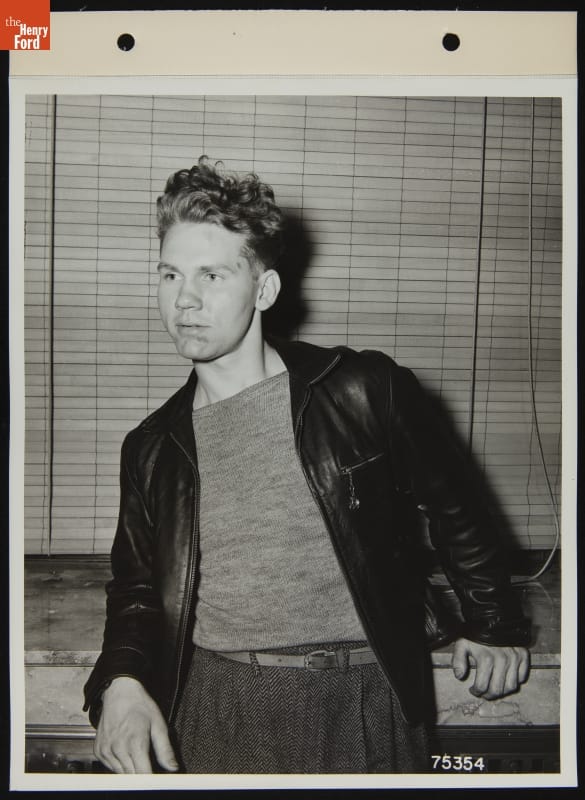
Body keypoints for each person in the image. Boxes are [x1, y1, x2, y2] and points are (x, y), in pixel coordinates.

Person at [83, 156, 531, 775]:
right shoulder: (152, 448)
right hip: (217, 707)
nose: (185, 299)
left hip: (365, 697)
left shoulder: (363, 390)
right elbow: (136, 590)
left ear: (264, 290)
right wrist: (121, 683)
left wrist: (495, 625)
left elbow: (457, 507)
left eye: (211, 275)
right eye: (170, 274)